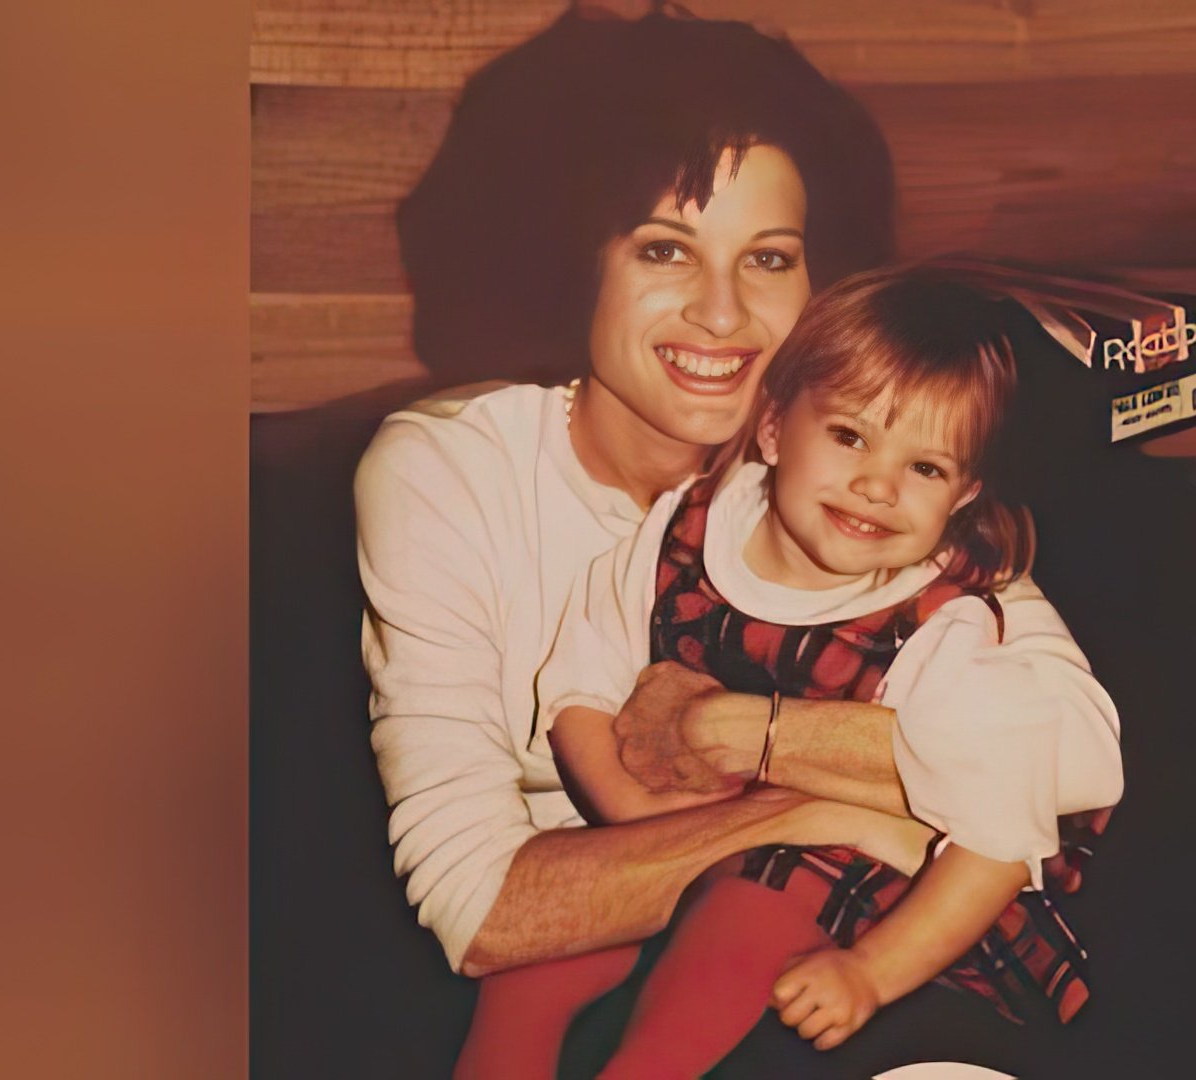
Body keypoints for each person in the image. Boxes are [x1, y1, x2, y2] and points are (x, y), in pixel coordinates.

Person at [357, 11, 1121, 1077]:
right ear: (585, 266)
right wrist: (822, 809)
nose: (721, 313)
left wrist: (740, 729)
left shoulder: (873, 487)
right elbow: (479, 905)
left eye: (768, 257)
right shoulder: (452, 472)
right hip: (587, 950)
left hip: (842, 964)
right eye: (666, 249)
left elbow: (1076, 761)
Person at [492, 263, 1123, 1078]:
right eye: (851, 436)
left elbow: (998, 846)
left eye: (925, 469)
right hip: (695, 842)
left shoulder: (945, 624)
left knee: (748, 910)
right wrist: (645, 829)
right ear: (774, 429)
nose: (877, 485)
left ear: (964, 496)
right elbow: (582, 683)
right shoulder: (687, 528)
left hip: (891, 901)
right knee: (537, 965)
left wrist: (873, 971)